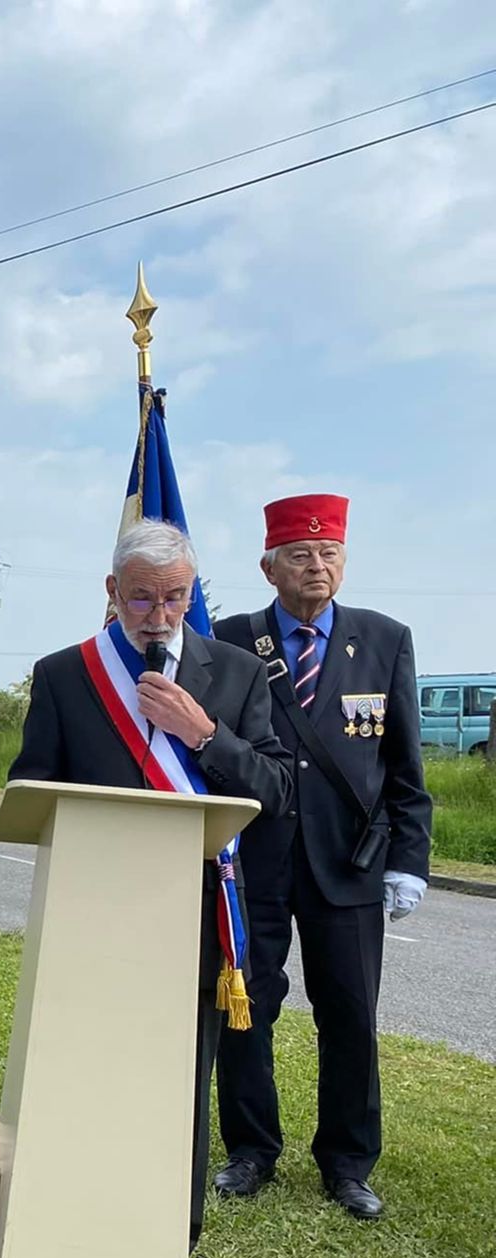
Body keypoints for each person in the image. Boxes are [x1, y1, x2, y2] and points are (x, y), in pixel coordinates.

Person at [9, 519, 291, 1258]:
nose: (159, 616)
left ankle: (167, 1250)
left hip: (194, 921)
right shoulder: (66, 675)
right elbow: (27, 790)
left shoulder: (235, 674)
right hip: (91, 917)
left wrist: (204, 736)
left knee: (178, 1094)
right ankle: (72, 1233)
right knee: (85, 1082)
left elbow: (276, 789)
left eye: (175, 598)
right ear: (112, 592)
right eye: (141, 598)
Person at [211, 495, 431, 1221]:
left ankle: (348, 1162)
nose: (317, 566)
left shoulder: (384, 639)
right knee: (245, 1007)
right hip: (255, 860)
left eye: (329, 553)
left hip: (350, 863)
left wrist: (409, 858)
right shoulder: (232, 640)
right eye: (301, 555)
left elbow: (403, 765)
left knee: (351, 1015)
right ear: (269, 567)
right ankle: (251, 1150)